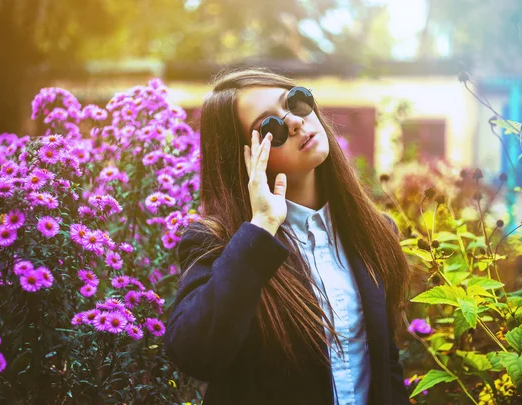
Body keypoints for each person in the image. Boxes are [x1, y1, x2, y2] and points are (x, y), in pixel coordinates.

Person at [164, 67, 411, 405]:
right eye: (269, 127)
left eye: (295, 102)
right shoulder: (219, 242)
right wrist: (262, 226)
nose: (295, 122)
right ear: (244, 157)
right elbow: (195, 354)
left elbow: (386, 366)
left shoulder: (375, 232)